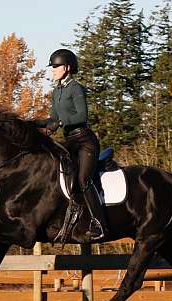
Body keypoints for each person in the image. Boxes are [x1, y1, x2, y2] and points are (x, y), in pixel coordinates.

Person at [35, 48, 107, 241]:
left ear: (67, 68)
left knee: (84, 179)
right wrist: (35, 123)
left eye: (56, 66)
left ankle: (98, 223)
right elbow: (53, 118)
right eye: (53, 67)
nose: (54, 70)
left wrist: (59, 122)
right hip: (69, 141)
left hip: (84, 141)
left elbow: (82, 116)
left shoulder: (75, 87)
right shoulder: (57, 91)